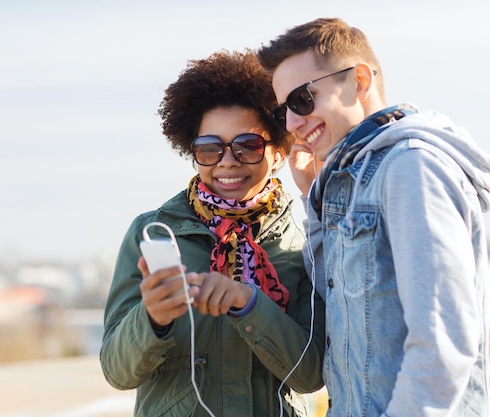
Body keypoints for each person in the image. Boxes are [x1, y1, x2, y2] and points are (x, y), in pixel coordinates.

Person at [257, 17, 490, 417]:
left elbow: (443, 341)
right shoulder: (352, 177)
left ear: (359, 81)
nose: (292, 124)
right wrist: (312, 195)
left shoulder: (411, 166)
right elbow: (340, 303)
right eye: (282, 113)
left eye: (303, 100)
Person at [100, 50, 325, 417]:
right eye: (209, 148)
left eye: (248, 145)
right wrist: (152, 319)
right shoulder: (152, 233)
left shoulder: (305, 240)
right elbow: (116, 370)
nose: (227, 161)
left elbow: (310, 374)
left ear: (280, 151)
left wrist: (249, 303)